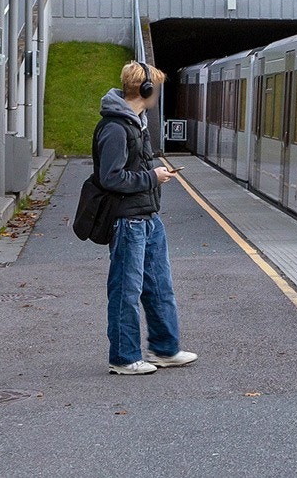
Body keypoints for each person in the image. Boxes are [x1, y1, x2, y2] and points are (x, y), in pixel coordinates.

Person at [95, 60, 196, 376]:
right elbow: (110, 177)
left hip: (148, 217)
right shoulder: (115, 128)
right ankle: (124, 358)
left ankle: (165, 349)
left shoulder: (137, 122)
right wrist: (153, 177)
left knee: (159, 285)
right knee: (126, 289)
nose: (158, 95)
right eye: (157, 89)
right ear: (146, 89)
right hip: (128, 221)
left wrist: (155, 175)